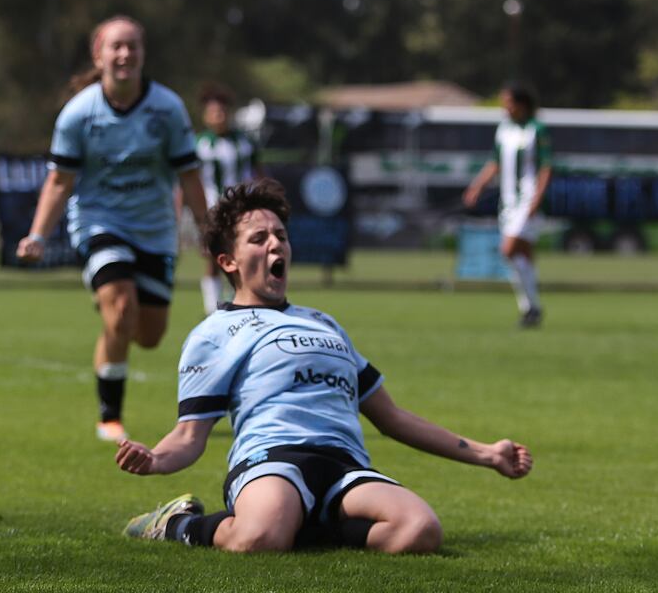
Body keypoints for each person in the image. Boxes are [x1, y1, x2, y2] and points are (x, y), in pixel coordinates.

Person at [115, 179, 533, 554]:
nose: (275, 245)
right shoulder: (215, 332)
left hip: (345, 465)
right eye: (258, 238)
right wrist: (154, 459)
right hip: (271, 458)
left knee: (419, 530)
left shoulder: (323, 323)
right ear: (228, 262)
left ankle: (304, 526)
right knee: (260, 537)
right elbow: (190, 435)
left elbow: (391, 418)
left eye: (280, 235)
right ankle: (178, 524)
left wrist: (488, 453)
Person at [17, 15, 208, 443]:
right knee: (121, 311)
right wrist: (38, 235)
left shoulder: (167, 109)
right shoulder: (79, 114)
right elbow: (60, 180)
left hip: (156, 229)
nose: (125, 55)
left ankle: (112, 311)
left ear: (143, 53)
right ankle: (110, 417)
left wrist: (209, 232)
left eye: (133, 46)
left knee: (150, 335)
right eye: (116, 46)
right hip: (100, 222)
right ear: (98, 55)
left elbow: (189, 177)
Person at [463, 82, 553, 328]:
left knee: (508, 250)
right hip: (509, 203)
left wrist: (537, 199)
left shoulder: (537, 130)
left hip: (527, 200)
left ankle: (531, 308)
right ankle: (531, 309)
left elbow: (546, 167)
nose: (505, 108)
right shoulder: (504, 129)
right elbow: (495, 162)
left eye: (509, 103)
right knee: (522, 257)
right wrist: (477, 186)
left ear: (521, 105)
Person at [194, 82, 262, 314]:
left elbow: (257, 174)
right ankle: (212, 308)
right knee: (213, 257)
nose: (218, 116)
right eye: (213, 112)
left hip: (243, 210)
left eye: (222, 112)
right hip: (213, 208)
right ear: (205, 116)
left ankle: (240, 301)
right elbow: (190, 182)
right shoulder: (199, 144)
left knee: (243, 255)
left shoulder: (244, 143)